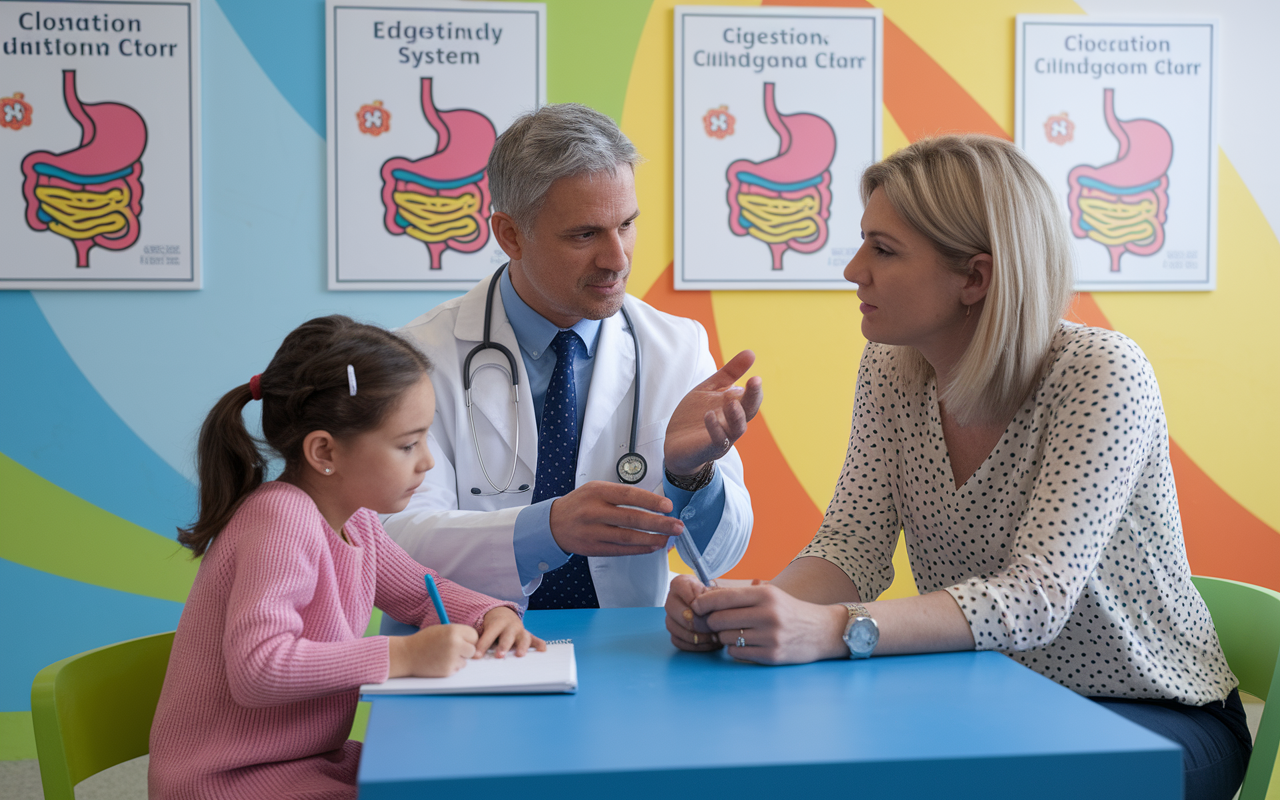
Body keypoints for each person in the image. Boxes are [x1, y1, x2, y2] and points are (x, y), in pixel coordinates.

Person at [664, 135, 1250, 800]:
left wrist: (831, 629)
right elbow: (851, 547)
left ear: (975, 277)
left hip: (1152, 715)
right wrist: (747, 609)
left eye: (883, 250)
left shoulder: (1102, 372)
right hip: (997, 697)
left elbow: (1037, 599)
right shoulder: (892, 366)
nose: (853, 269)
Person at [149, 316, 542, 800]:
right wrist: (403, 654)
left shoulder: (354, 520)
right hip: (232, 781)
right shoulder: (280, 520)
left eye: (426, 439)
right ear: (324, 452)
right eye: (407, 444)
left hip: (303, 760)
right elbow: (259, 669)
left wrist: (489, 611)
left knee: (449, 770)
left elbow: (420, 591)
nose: (428, 462)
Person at [385, 104, 761, 610]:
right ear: (510, 235)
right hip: (467, 648)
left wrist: (690, 476)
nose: (618, 258)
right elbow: (391, 541)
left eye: (626, 225)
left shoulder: (677, 348)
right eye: (585, 235)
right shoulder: (418, 358)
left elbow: (722, 554)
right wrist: (548, 530)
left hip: (623, 652)